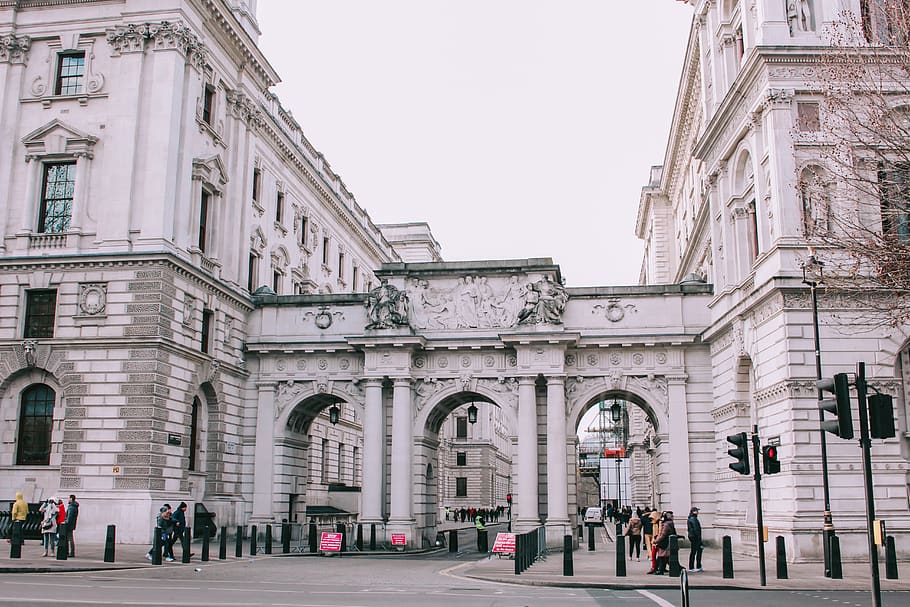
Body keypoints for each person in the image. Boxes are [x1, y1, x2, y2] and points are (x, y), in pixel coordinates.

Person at [653, 511, 676, 575]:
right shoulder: (670, 523)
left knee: (662, 557)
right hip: (668, 542)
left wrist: (656, 541)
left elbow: (663, 535)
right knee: (664, 557)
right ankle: (660, 569)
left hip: (664, 543)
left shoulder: (666, 524)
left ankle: (660, 570)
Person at [687, 506, 703, 572]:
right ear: (693, 512)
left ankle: (693, 566)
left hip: (692, 537)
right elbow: (696, 529)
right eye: (696, 511)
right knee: (697, 551)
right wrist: (699, 539)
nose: (698, 512)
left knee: (693, 552)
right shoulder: (693, 519)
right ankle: (697, 566)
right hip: (695, 538)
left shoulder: (690, 518)